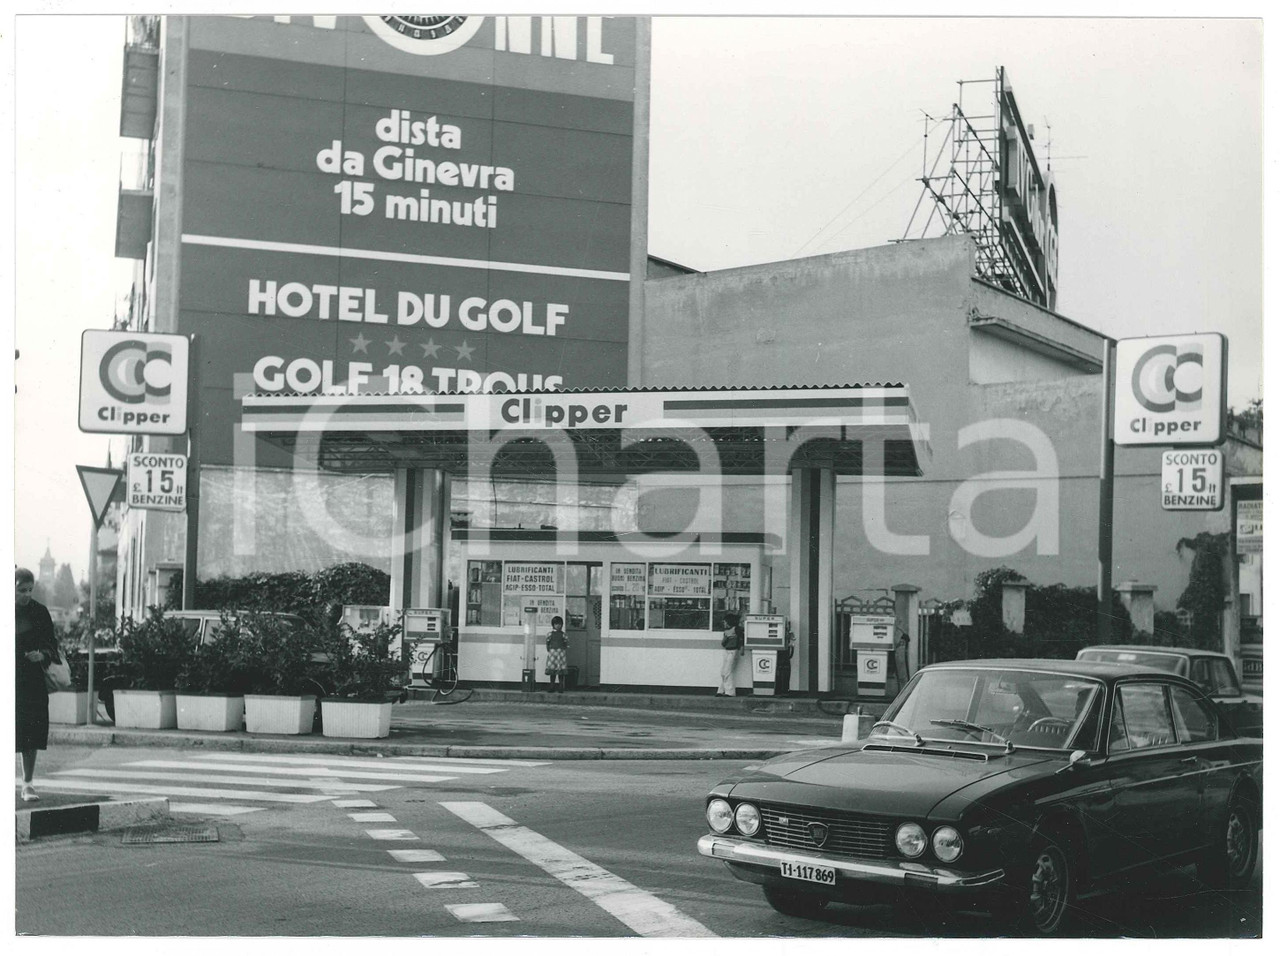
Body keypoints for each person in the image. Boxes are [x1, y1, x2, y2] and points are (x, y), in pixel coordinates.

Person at [16, 567, 58, 802]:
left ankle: (28, 784)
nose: (27, 595)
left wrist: (42, 654)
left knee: (30, 731)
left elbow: (51, 642)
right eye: (22, 590)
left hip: (31, 680)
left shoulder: (39, 612)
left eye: (30, 590)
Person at [717, 611, 743, 697]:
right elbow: (723, 643)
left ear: (729, 622)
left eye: (725, 622)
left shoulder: (736, 629)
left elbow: (741, 639)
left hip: (733, 651)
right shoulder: (726, 631)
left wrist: (742, 648)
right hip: (727, 651)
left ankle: (730, 692)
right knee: (723, 671)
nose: (724, 623)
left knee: (727, 671)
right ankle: (722, 690)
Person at [545, 615, 569, 693]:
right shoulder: (550, 634)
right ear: (553, 625)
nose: (558, 626)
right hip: (553, 654)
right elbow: (547, 643)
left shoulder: (563, 634)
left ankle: (561, 686)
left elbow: (566, 643)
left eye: (559, 624)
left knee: (560, 672)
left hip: (561, 654)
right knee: (552, 671)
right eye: (556, 624)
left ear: (562, 625)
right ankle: (552, 686)